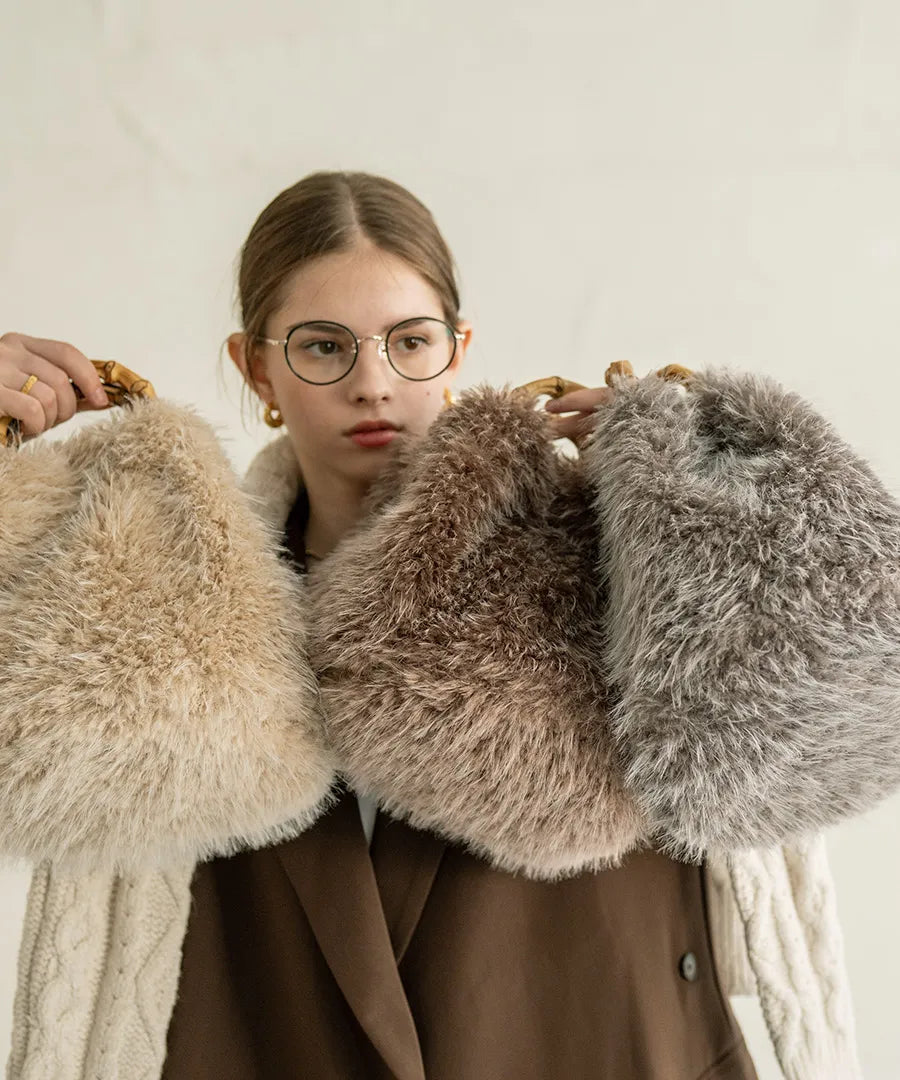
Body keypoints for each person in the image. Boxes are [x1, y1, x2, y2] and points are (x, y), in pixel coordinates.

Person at [1, 172, 864, 1079]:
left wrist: (708, 488)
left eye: (408, 341)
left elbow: (823, 705)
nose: (372, 383)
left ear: (458, 349)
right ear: (256, 365)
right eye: (323, 345)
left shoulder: (604, 554)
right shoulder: (149, 599)